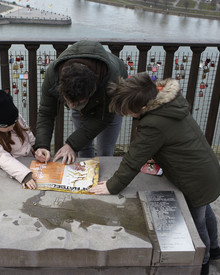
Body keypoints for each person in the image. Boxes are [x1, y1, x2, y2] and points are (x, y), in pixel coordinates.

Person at [88, 72, 220, 275]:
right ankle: (215, 249)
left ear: (142, 107)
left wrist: (111, 185)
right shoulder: (169, 104)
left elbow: (133, 159)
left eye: (128, 111)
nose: (127, 116)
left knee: (196, 223)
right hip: (207, 171)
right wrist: (158, 154)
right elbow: (173, 140)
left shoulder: (154, 123)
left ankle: (202, 263)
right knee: (205, 211)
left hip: (194, 180)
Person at [34, 40, 128, 164]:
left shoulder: (112, 79)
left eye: (79, 103)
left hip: (111, 103)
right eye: (69, 102)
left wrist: (71, 144)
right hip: (87, 94)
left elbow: (104, 118)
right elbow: (46, 112)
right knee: (83, 146)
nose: (72, 106)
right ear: (61, 88)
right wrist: (42, 145)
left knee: (105, 150)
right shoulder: (53, 75)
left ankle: (105, 180)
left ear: (92, 91)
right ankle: (85, 176)